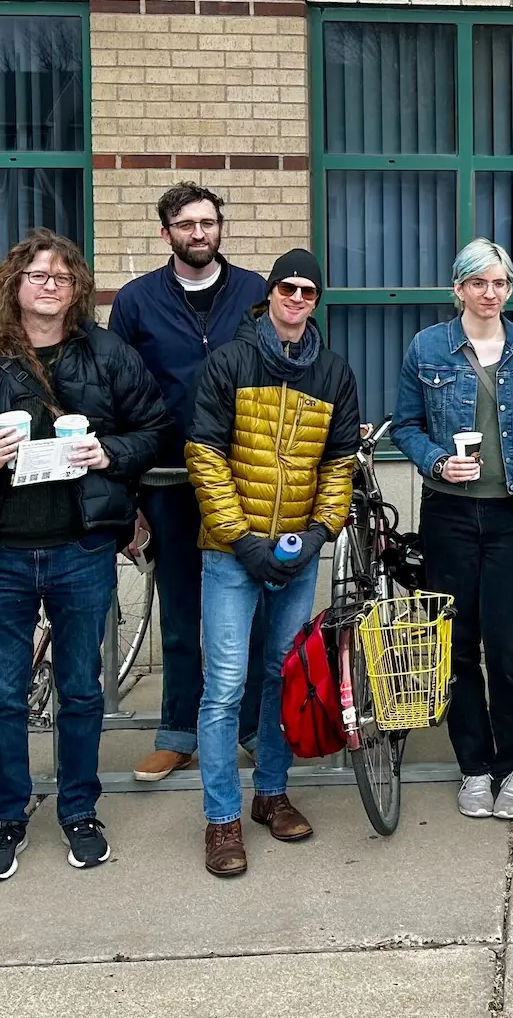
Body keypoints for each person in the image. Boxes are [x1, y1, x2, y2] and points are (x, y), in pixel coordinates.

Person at [0, 230, 171, 885]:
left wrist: (110, 453)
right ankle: (5, 818)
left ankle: (79, 812)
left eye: (61, 276)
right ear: (14, 286)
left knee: (81, 691)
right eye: (36, 275)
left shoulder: (109, 355)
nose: (50, 285)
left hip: (80, 550)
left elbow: (155, 427)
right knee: (2, 697)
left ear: (77, 288)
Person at [186, 248, 362, 876]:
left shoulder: (335, 373)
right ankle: (221, 819)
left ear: (317, 302)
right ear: (270, 295)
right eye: (288, 288)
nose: (297, 299)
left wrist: (318, 533)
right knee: (225, 685)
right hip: (233, 552)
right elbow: (203, 455)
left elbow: (339, 465)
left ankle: (271, 794)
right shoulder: (228, 362)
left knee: (282, 676)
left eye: (309, 292)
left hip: (297, 554)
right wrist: (242, 539)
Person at [393, 239, 513, 821]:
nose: (490, 294)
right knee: (458, 644)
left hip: (512, 510)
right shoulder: (427, 347)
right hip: (449, 513)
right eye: (479, 283)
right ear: (459, 288)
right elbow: (407, 426)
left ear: (509, 290)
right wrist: (438, 460)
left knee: (510, 644)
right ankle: (473, 765)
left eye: (500, 284)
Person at [105, 182, 269, 782]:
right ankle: (179, 732)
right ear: (166, 232)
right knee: (179, 610)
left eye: (208, 222)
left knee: (250, 607)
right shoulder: (136, 302)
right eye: (186, 224)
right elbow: (114, 397)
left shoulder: (256, 292)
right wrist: (129, 498)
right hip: (167, 480)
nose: (199, 233)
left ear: (221, 227)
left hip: (244, 478)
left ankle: (252, 726)